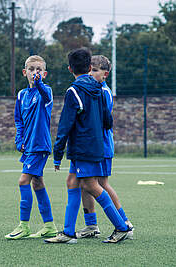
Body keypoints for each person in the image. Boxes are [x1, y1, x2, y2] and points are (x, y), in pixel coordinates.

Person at [44, 48, 132, 244]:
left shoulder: (73, 91)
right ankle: (67, 231)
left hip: (83, 147)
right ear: (90, 67)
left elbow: (65, 125)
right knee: (72, 182)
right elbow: (108, 121)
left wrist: (57, 154)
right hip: (95, 146)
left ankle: (121, 226)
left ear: (69, 69)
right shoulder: (100, 89)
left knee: (90, 185)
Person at [75, 55, 133, 239]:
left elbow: (102, 120)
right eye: (89, 69)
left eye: (94, 70)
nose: (90, 73)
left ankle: (124, 222)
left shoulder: (103, 92)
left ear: (105, 74)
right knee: (84, 183)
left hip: (102, 146)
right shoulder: (92, 89)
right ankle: (91, 225)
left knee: (101, 184)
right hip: (92, 146)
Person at [5, 55, 57, 240]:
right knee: (37, 183)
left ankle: (23, 226)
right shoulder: (21, 95)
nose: (35, 72)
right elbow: (18, 120)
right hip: (28, 147)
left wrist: (39, 83)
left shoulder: (47, 92)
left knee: (23, 181)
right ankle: (50, 226)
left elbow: (44, 92)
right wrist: (19, 140)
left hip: (39, 145)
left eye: (39, 70)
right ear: (24, 72)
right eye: (31, 69)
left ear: (44, 73)